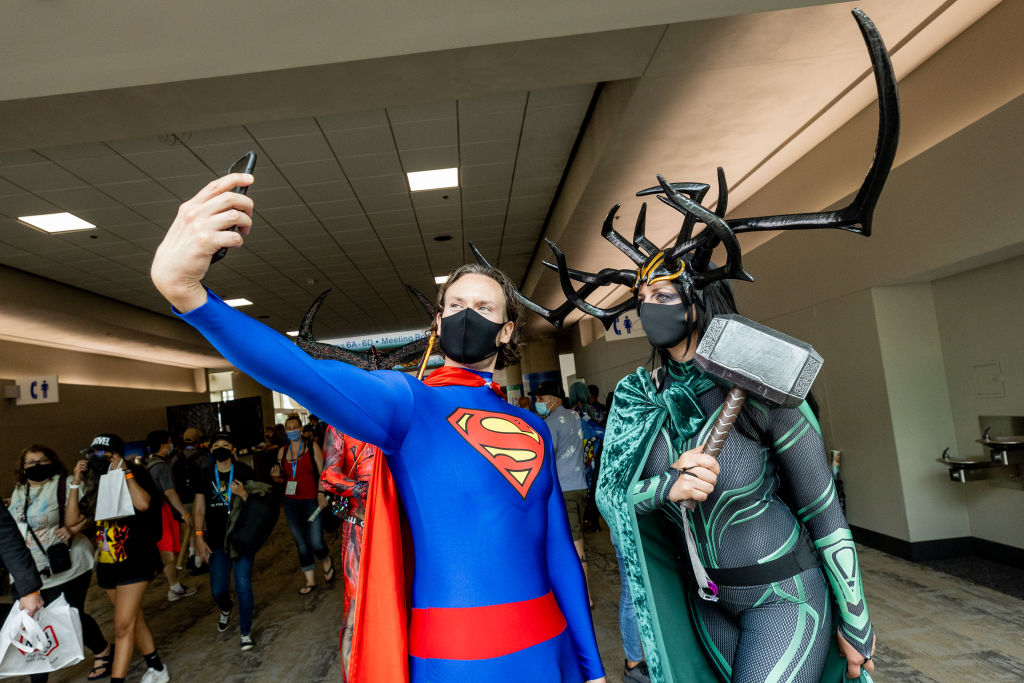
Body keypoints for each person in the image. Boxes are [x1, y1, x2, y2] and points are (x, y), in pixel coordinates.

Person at [151, 175, 604, 682]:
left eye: (484, 308)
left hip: (551, 648)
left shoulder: (532, 426)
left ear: (506, 331)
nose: (467, 316)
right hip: (455, 658)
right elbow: (303, 372)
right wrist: (191, 297)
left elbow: (559, 552)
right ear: (437, 324)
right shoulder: (409, 403)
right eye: (456, 306)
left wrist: (592, 668)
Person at [67, 433, 170, 683]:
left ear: (117, 454)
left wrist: (125, 471)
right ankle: (157, 667)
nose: (97, 458)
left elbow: (143, 504)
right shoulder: (96, 481)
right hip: (107, 562)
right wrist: (75, 483)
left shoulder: (136, 473)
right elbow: (71, 521)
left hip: (136, 559)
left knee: (122, 626)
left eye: (103, 453)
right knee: (133, 618)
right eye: (93, 453)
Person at [8, 446, 105, 681]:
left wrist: (74, 529)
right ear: (22, 467)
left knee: (68, 617)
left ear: (52, 460)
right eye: (30, 463)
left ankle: (102, 649)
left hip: (67, 565)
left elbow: (94, 510)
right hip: (30, 569)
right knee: (34, 624)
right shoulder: (20, 490)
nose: (36, 466)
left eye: (42, 460)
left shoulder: (65, 483)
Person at [193, 432, 274, 651]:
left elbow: (258, 504)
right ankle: (226, 608)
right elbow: (199, 509)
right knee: (218, 590)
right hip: (216, 541)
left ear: (233, 449)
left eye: (226, 445)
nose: (221, 448)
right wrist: (199, 537)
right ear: (211, 450)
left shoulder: (244, 471)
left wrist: (243, 493)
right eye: (217, 445)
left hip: (242, 538)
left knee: (243, 585)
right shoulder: (204, 474)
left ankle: (245, 632)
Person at [320, 427, 377, 679]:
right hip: (358, 529)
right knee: (354, 611)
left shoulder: (391, 416)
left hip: (395, 528)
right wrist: (366, 489)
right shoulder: (339, 426)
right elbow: (328, 476)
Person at [535, 381, 591, 599]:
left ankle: (585, 595)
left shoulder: (550, 422)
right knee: (575, 537)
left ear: (554, 399)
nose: (538, 403)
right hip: (580, 486)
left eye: (541, 399)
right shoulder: (576, 417)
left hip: (564, 490)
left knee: (575, 542)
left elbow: (548, 455)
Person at [271, 415, 334, 594]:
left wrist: (321, 493)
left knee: (316, 542)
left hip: (312, 501)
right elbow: (281, 478)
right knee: (301, 543)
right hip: (290, 503)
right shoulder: (282, 451)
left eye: (294, 427)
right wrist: (275, 477)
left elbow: (322, 473)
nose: (292, 430)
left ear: (300, 429)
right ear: (285, 431)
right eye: (288, 428)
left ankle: (326, 559)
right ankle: (310, 580)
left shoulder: (312, 447)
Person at [145, 430, 197, 603]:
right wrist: (185, 513)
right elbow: (170, 492)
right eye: (169, 442)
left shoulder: (149, 464)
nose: (171, 445)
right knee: (168, 552)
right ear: (163, 446)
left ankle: (174, 586)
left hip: (155, 512)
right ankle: (174, 588)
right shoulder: (162, 466)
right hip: (162, 513)